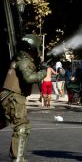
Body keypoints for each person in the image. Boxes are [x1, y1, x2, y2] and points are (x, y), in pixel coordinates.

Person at [0, 34, 46, 162]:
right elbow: (29, 78)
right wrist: (43, 71)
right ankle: (18, 158)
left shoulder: (18, 58)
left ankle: (16, 155)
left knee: (20, 126)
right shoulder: (25, 60)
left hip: (10, 96)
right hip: (14, 96)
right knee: (22, 126)